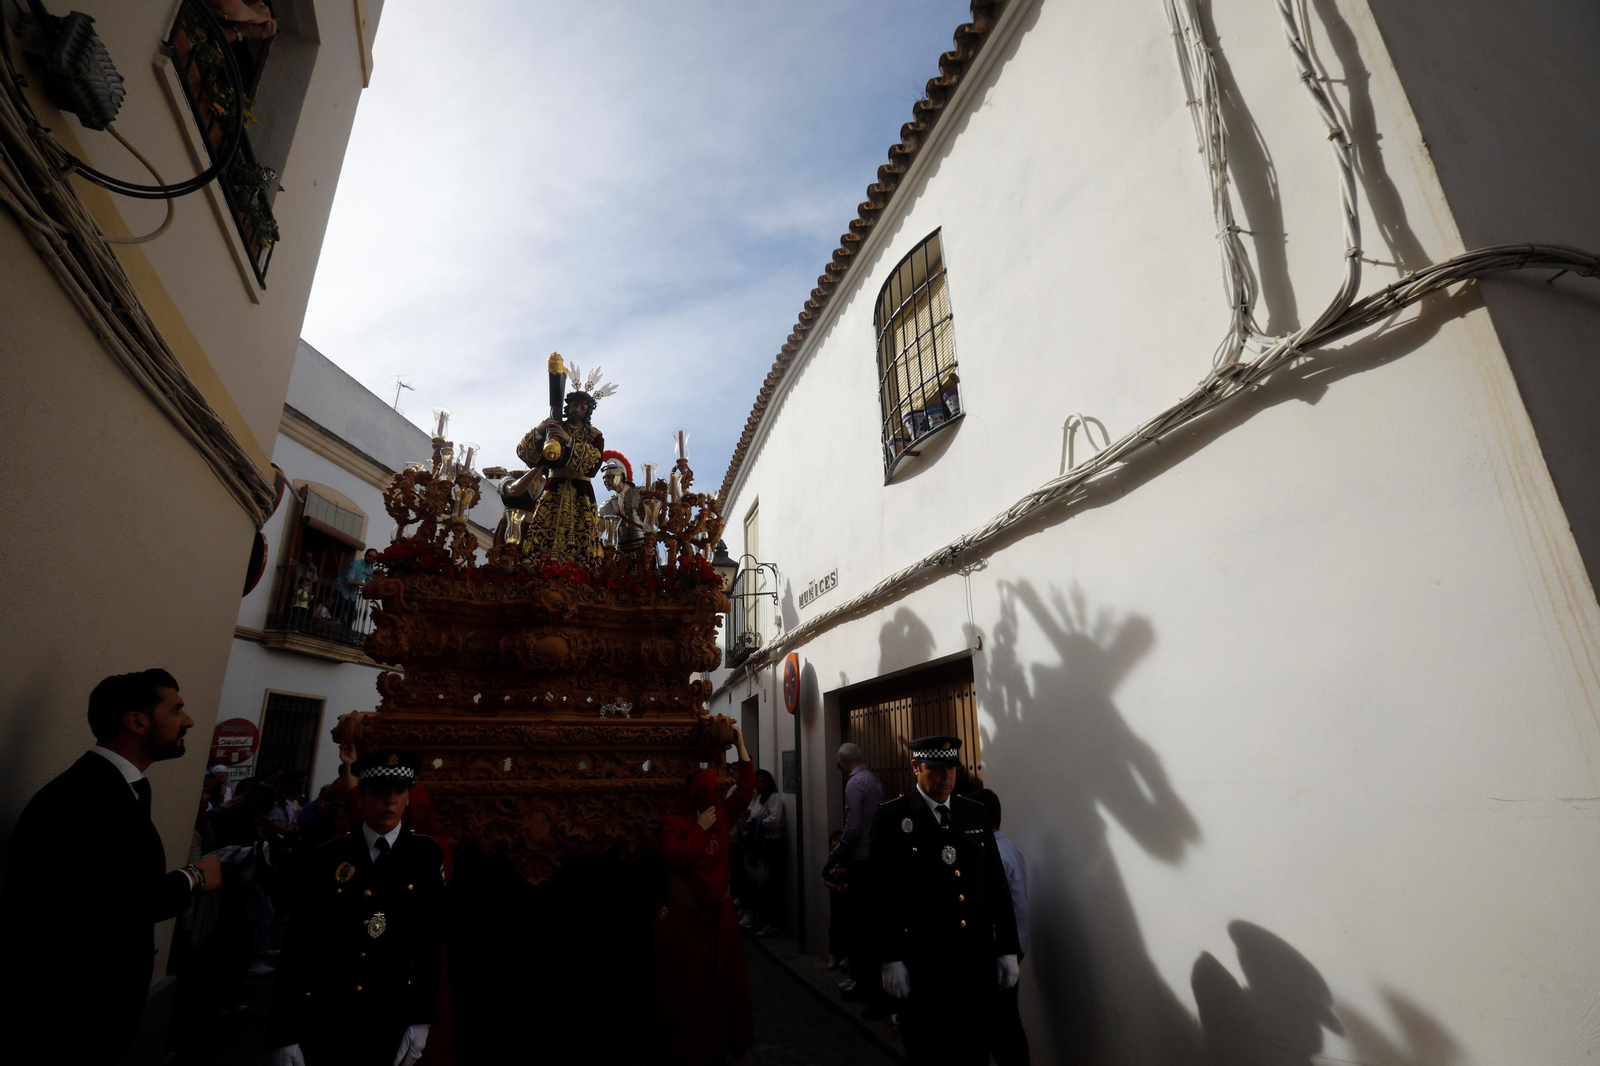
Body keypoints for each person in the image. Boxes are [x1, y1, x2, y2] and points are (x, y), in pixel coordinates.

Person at [0, 669, 223, 1063]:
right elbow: (124, 901)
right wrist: (196, 876)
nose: (187, 721)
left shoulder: (117, 786)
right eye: (176, 709)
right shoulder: (84, 797)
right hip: (69, 1017)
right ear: (136, 721)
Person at [267, 750, 445, 1066]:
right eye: (379, 792)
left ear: (408, 798)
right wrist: (285, 1032)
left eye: (399, 792)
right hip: (329, 1012)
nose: (389, 800)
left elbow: (429, 942)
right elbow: (299, 945)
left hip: (392, 1012)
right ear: (361, 796)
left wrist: (422, 1018)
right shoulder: (329, 857)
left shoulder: (425, 855)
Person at [869, 736, 1020, 1065]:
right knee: (928, 1051)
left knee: (974, 1050)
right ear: (915, 768)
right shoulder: (892, 818)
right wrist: (888, 957)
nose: (946, 777)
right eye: (935, 770)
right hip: (924, 963)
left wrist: (1007, 947)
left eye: (950, 768)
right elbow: (881, 894)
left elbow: (996, 886)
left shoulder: (974, 814)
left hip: (974, 961)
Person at [654, 725, 755, 1065]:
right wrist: (698, 829)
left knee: (721, 983)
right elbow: (676, 857)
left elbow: (744, 790)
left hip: (719, 915)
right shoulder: (676, 821)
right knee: (690, 988)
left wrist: (741, 744)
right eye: (709, 791)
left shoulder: (723, 814)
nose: (715, 797)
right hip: (688, 919)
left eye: (717, 792)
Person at [516, 362, 615, 565]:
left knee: (583, 540)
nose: (577, 409)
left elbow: (594, 462)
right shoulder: (554, 427)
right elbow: (529, 456)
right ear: (568, 406)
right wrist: (540, 430)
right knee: (542, 533)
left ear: (587, 411)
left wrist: (569, 441)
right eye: (574, 405)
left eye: (582, 407)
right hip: (554, 489)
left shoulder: (593, 434)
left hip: (581, 492)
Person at [974, 787, 1031, 1066]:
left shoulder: (990, 853)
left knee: (998, 1025)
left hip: (999, 947)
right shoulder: (1010, 847)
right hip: (1015, 944)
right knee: (1009, 1019)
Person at [833, 741, 883, 1000]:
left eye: (839, 763)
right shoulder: (873, 781)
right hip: (873, 858)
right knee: (868, 924)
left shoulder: (854, 783)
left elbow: (852, 828)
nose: (839, 767)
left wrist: (838, 850)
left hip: (859, 861)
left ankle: (860, 980)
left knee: (857, 923)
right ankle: (866, 979)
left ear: (843, 761)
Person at [744, 768, 785, 936]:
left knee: (771, 884)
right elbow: (751, 814)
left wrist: (758, 824)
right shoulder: (760, 799)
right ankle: (763, 919)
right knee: (760, 884)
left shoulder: (774, 798)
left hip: (771, 844)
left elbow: (774, 819)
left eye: (762, 782)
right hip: (760, 845)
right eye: (757, 782)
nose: (759, 785)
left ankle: (772, 922)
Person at [338, 548, 378, 625]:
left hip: (352, 593)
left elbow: (369, 582)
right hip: (341, 590)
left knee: (352, 615)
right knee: (339, 613)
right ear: (365, 555)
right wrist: (364, 585)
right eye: (370, 556)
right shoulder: (357, 563)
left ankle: (346, 634)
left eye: (374, 557)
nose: (371, 558)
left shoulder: (370, 570)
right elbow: (350, 580)